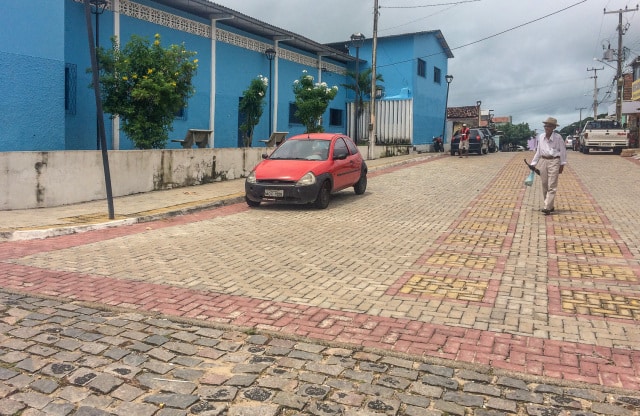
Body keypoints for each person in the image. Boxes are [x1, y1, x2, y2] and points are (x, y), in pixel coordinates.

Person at [529, 117, 567, 215]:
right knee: (544, 185)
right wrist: (533, 163)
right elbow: (538, 151)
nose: (547, 127)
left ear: (553, 127)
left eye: (549, 126)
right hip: (543, 161)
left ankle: (547, 207)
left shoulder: (558, 138)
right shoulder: (541, 137)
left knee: (552, 185)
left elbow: (563, 151)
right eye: (545, 125)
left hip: (554, 161)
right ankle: (550, 205)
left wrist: (562, 164)